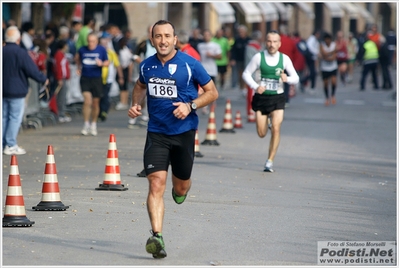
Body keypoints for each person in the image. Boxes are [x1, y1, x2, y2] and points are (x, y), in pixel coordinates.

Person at [127, 20, 218, 259]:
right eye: (158, 36)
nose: (163, 41)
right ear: (153, 40)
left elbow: (212, 92)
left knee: (180, 187)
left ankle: (182, 190)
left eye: (167, 36)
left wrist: (190, 106)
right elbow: (139, 86)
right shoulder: (147, 66)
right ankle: (157, 236)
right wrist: (136, 104)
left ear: (175, 39)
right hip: (156, 133)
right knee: (156, 183)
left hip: (184, 134)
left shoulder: (190, 64)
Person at [242, 30, 299, 173]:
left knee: (276, 128)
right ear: (265, 42)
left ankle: (269, 161)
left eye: (275, 42)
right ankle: (266, 123)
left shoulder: (284, 59)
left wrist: (288, 79)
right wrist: (255, 86)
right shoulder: (258, 57)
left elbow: (296, 77)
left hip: (277, 98)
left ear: (279, 44)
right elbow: (246, 74)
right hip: (261, 98)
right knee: (261, 133)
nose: (272, 44)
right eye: (269, 41)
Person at [3, 26, 48, 155]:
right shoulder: (21, 52)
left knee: (4, 116)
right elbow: (31, 70)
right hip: (17, 90)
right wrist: (43, 79)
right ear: (18, 39)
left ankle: (3, 143)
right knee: (15, 117)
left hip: (3, 89)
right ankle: (11, 144)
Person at [75, 32, 109, 136]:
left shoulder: (101, 49)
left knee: (95, 103)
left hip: (96, 79)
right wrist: (78, 68)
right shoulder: (82, 49)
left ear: (97, 41)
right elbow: (77, 58)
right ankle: (86, 124)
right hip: (85, 78)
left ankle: (93, 124)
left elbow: (107, 62)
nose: (91, 44)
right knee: (87, 101)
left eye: (93, 41)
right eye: (89, 41)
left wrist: (101, 64)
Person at [98, 34, 124, 122]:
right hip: (98, 78)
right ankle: (99, 111)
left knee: (105, 95)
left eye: (106, 43)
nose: (105, 45)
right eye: (103, 43)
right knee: (99, 96)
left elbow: (117, 65)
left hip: (108, 78)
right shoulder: (97, 52)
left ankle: (104, 111)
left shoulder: (111, 53)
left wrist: (120, 77)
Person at [197, 29, 221, 114]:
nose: (206, 36)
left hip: (212, 70)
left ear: (211, 36)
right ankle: (205, 106)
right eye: (205, 35)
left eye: (208, 35)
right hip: (203, 69)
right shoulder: (200, 45)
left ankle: (213, 102)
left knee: (212, 88)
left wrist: (212, 55)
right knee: (203, 88)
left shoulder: (215, 45)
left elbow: (220, 56)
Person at [278, 25, 299, 106]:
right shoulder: (290, 40)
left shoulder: (277, 40)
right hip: (288, 63)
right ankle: (286, 99)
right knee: (286, 81)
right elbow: (295, 52)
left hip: (278, 64)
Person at [53, 39, 72, 122]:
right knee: (61, 97)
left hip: (64, 78)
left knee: (63, 97)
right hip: (61, 79)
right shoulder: (59, 55)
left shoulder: (62, 54)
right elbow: (58, 67)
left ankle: (62, 113)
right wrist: (59, 78)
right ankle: (60, 114)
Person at [230, 25, 251, 95]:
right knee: (240, 74)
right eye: (240, 32)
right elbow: (233, 50)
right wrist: (232, 59)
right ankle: (241, 87)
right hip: (239, 59)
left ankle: (245, 87)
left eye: (242, 32)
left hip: (247, 60)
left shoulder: (248, 40)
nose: (241, 33)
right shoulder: (237, 40)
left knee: (246, 73)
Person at [114, 37, 133, 111]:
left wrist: (120, 76)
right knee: (124, 87)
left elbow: (119, 63)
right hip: (126, 69)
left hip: (123, 69)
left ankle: (123, 101)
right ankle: (124, 102)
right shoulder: (127, 50)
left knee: (122, 87)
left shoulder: (121, 51)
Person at [319, 32, 338, 106]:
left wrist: (327, 56)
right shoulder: (322, 45)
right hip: (324, 68)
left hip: (333, 67)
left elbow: (333, 58)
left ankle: (333, 95)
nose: (327, 41)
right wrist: (332, 52)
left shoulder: (334, 44)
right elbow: (324, 54)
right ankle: (327, 98)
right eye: (326, 40)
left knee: (333, 81)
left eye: (328, 39)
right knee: (326, 83)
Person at [300, 30, 321, 94]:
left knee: (313, 73)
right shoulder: (312, 39)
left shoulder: (314, 39)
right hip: (310, 58)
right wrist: (317, 53)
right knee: (313, 73)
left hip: (313, 58)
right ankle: (304, 81)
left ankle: (312, 86)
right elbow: (310, 48)